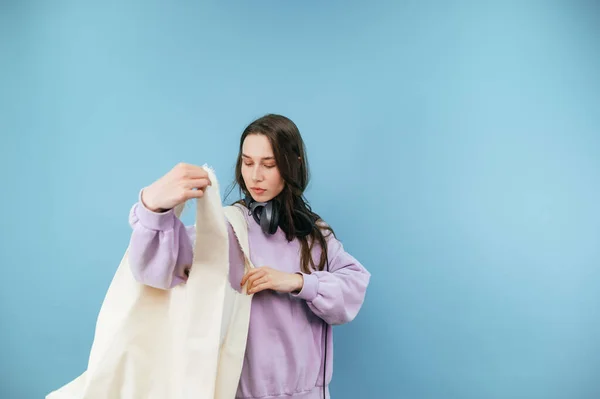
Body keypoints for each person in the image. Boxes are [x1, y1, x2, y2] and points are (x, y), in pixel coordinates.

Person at [127, 114, 371, 399]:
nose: (255, 175)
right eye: (247, 162)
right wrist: (153, 209)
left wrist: (297, 282)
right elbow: (155, 270)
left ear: (294, 165)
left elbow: (352, 290)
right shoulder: (228, 229)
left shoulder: (315, 233)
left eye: (269, 164)